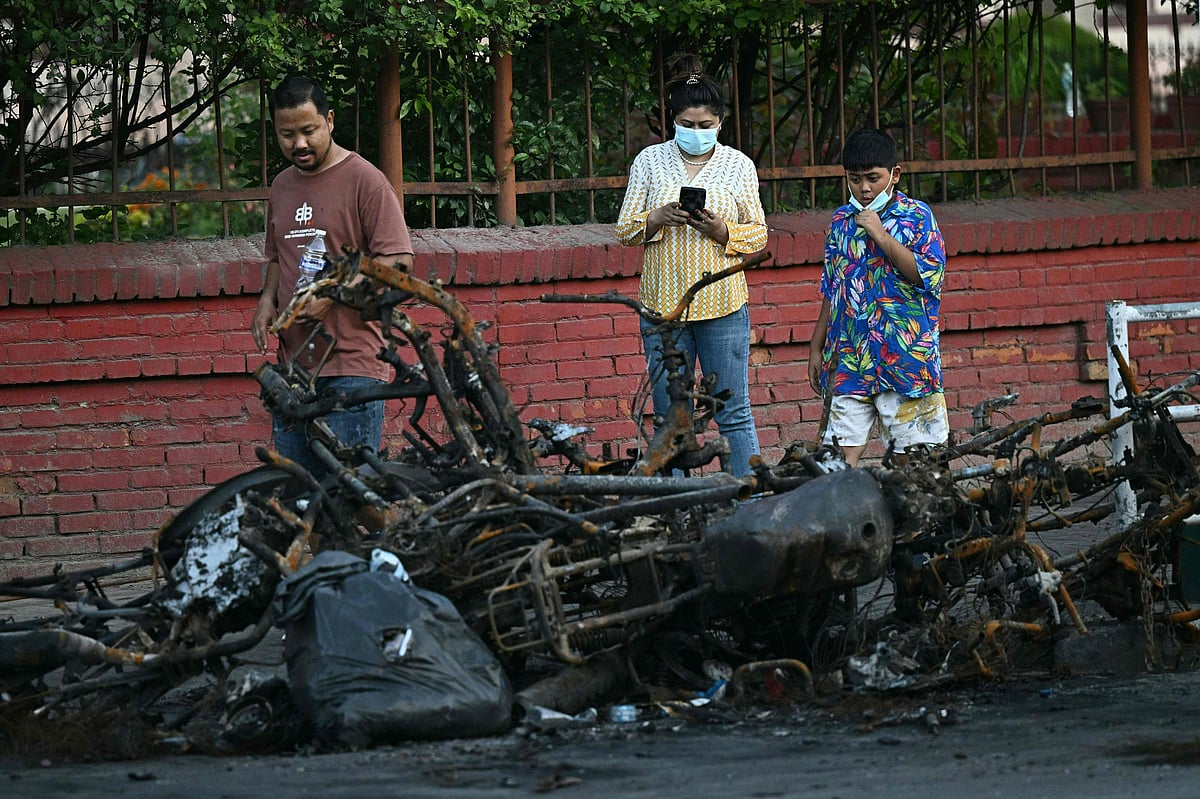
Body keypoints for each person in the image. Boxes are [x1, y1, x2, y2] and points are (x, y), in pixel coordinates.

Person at [251, 76, 414, 478]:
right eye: (287, 134)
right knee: (299, 499)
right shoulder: (281, 186)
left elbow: (399, 261)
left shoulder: (365, 180)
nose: (299, 144)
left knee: (349, 497)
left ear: (330, 121)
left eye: (308, 131)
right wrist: (266, 301)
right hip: (294, 372)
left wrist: (336, 295)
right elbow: (277, 256)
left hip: (352, 368)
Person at [614, 55, 768, 478]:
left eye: (704, 125)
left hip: (723, 305)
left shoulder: (739, 165)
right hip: (664, 310)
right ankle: (676, 508)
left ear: (720, 122)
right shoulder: (649, 162)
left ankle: (750, 496)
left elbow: (759, 234)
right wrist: (657, 218)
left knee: (732, 408)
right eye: (687, 123)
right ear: (673, 120)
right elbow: (624, 230)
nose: (696, 132)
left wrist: (722, 232)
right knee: (669, 416)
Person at [807, 128, 948, 467]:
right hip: (851, 359)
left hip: (906, 361)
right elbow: (833, 286)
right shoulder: (841, 221)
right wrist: (816, 346)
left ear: (894, 175)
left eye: (873, 178)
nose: (865, 188)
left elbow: (927, 274)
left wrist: (880, 234)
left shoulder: (917, 216)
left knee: (916, 465)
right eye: (855, 179)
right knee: (836, 463)